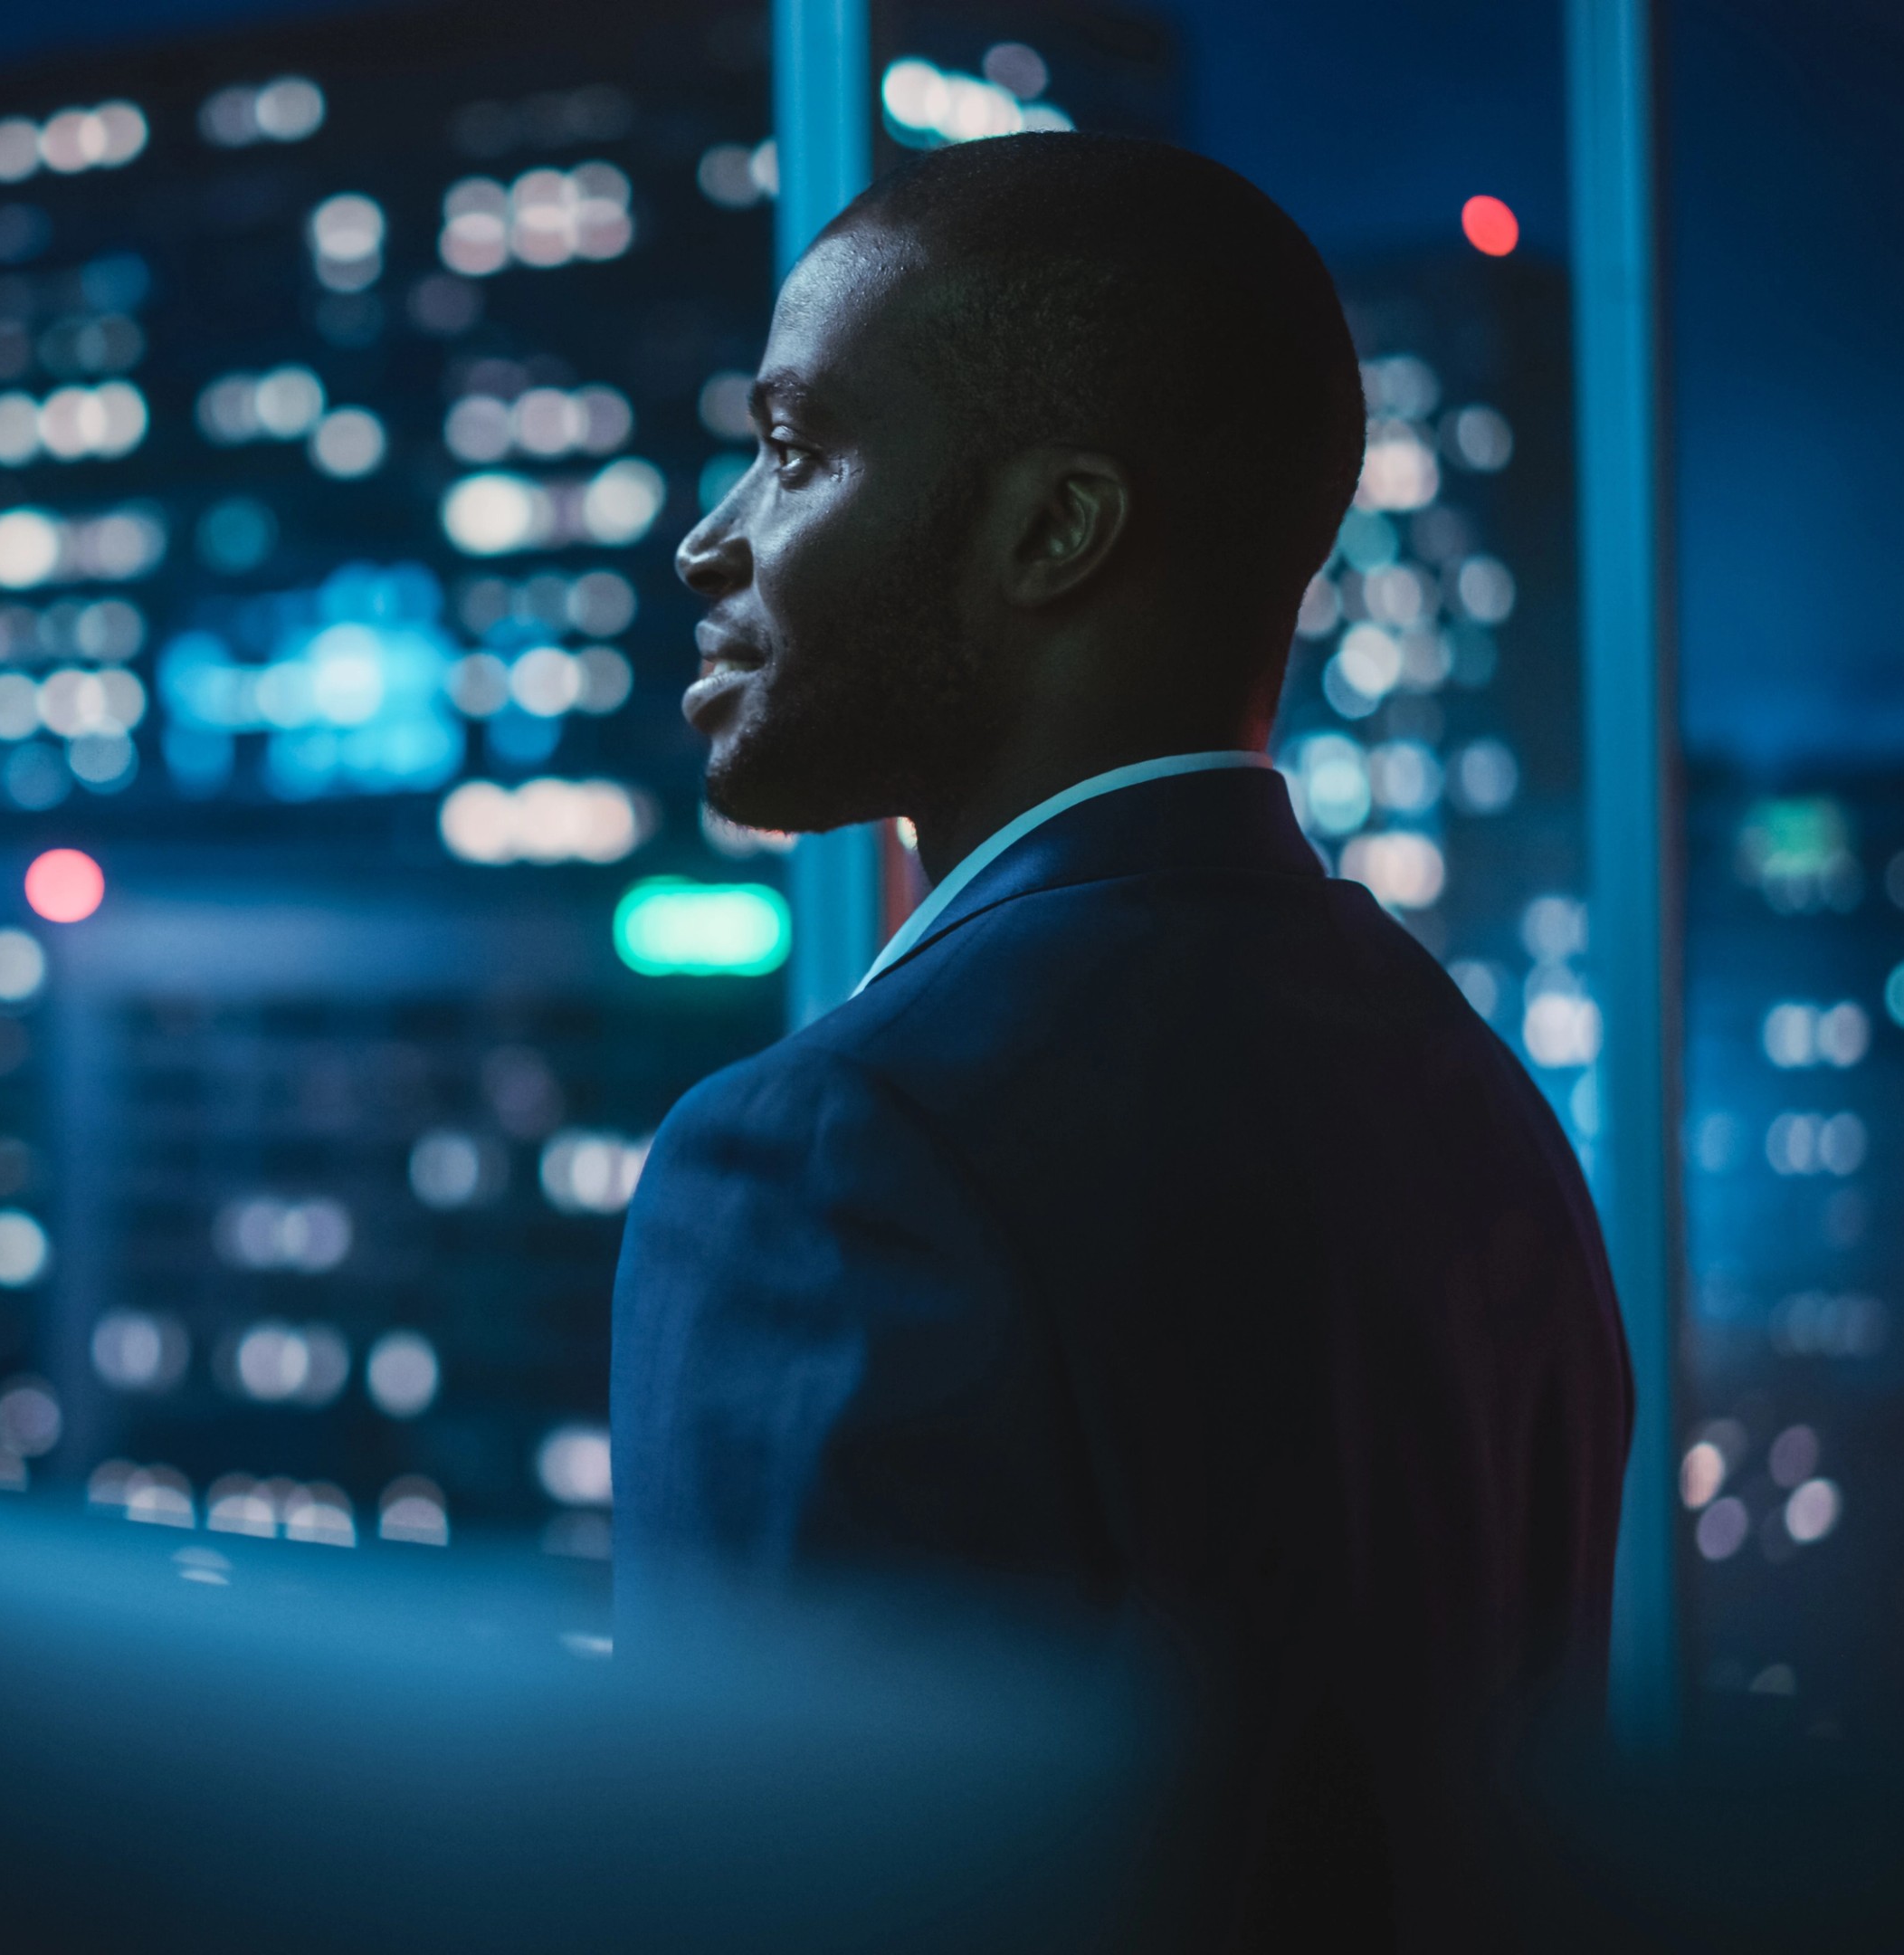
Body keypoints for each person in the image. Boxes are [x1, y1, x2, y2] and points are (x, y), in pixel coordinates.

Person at [610, 133, 1632, 1948]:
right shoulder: (1479, 1106)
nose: (712, 541)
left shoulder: (839, 1157)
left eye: (797, 451)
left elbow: (765, 1896)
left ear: (1055, 532)